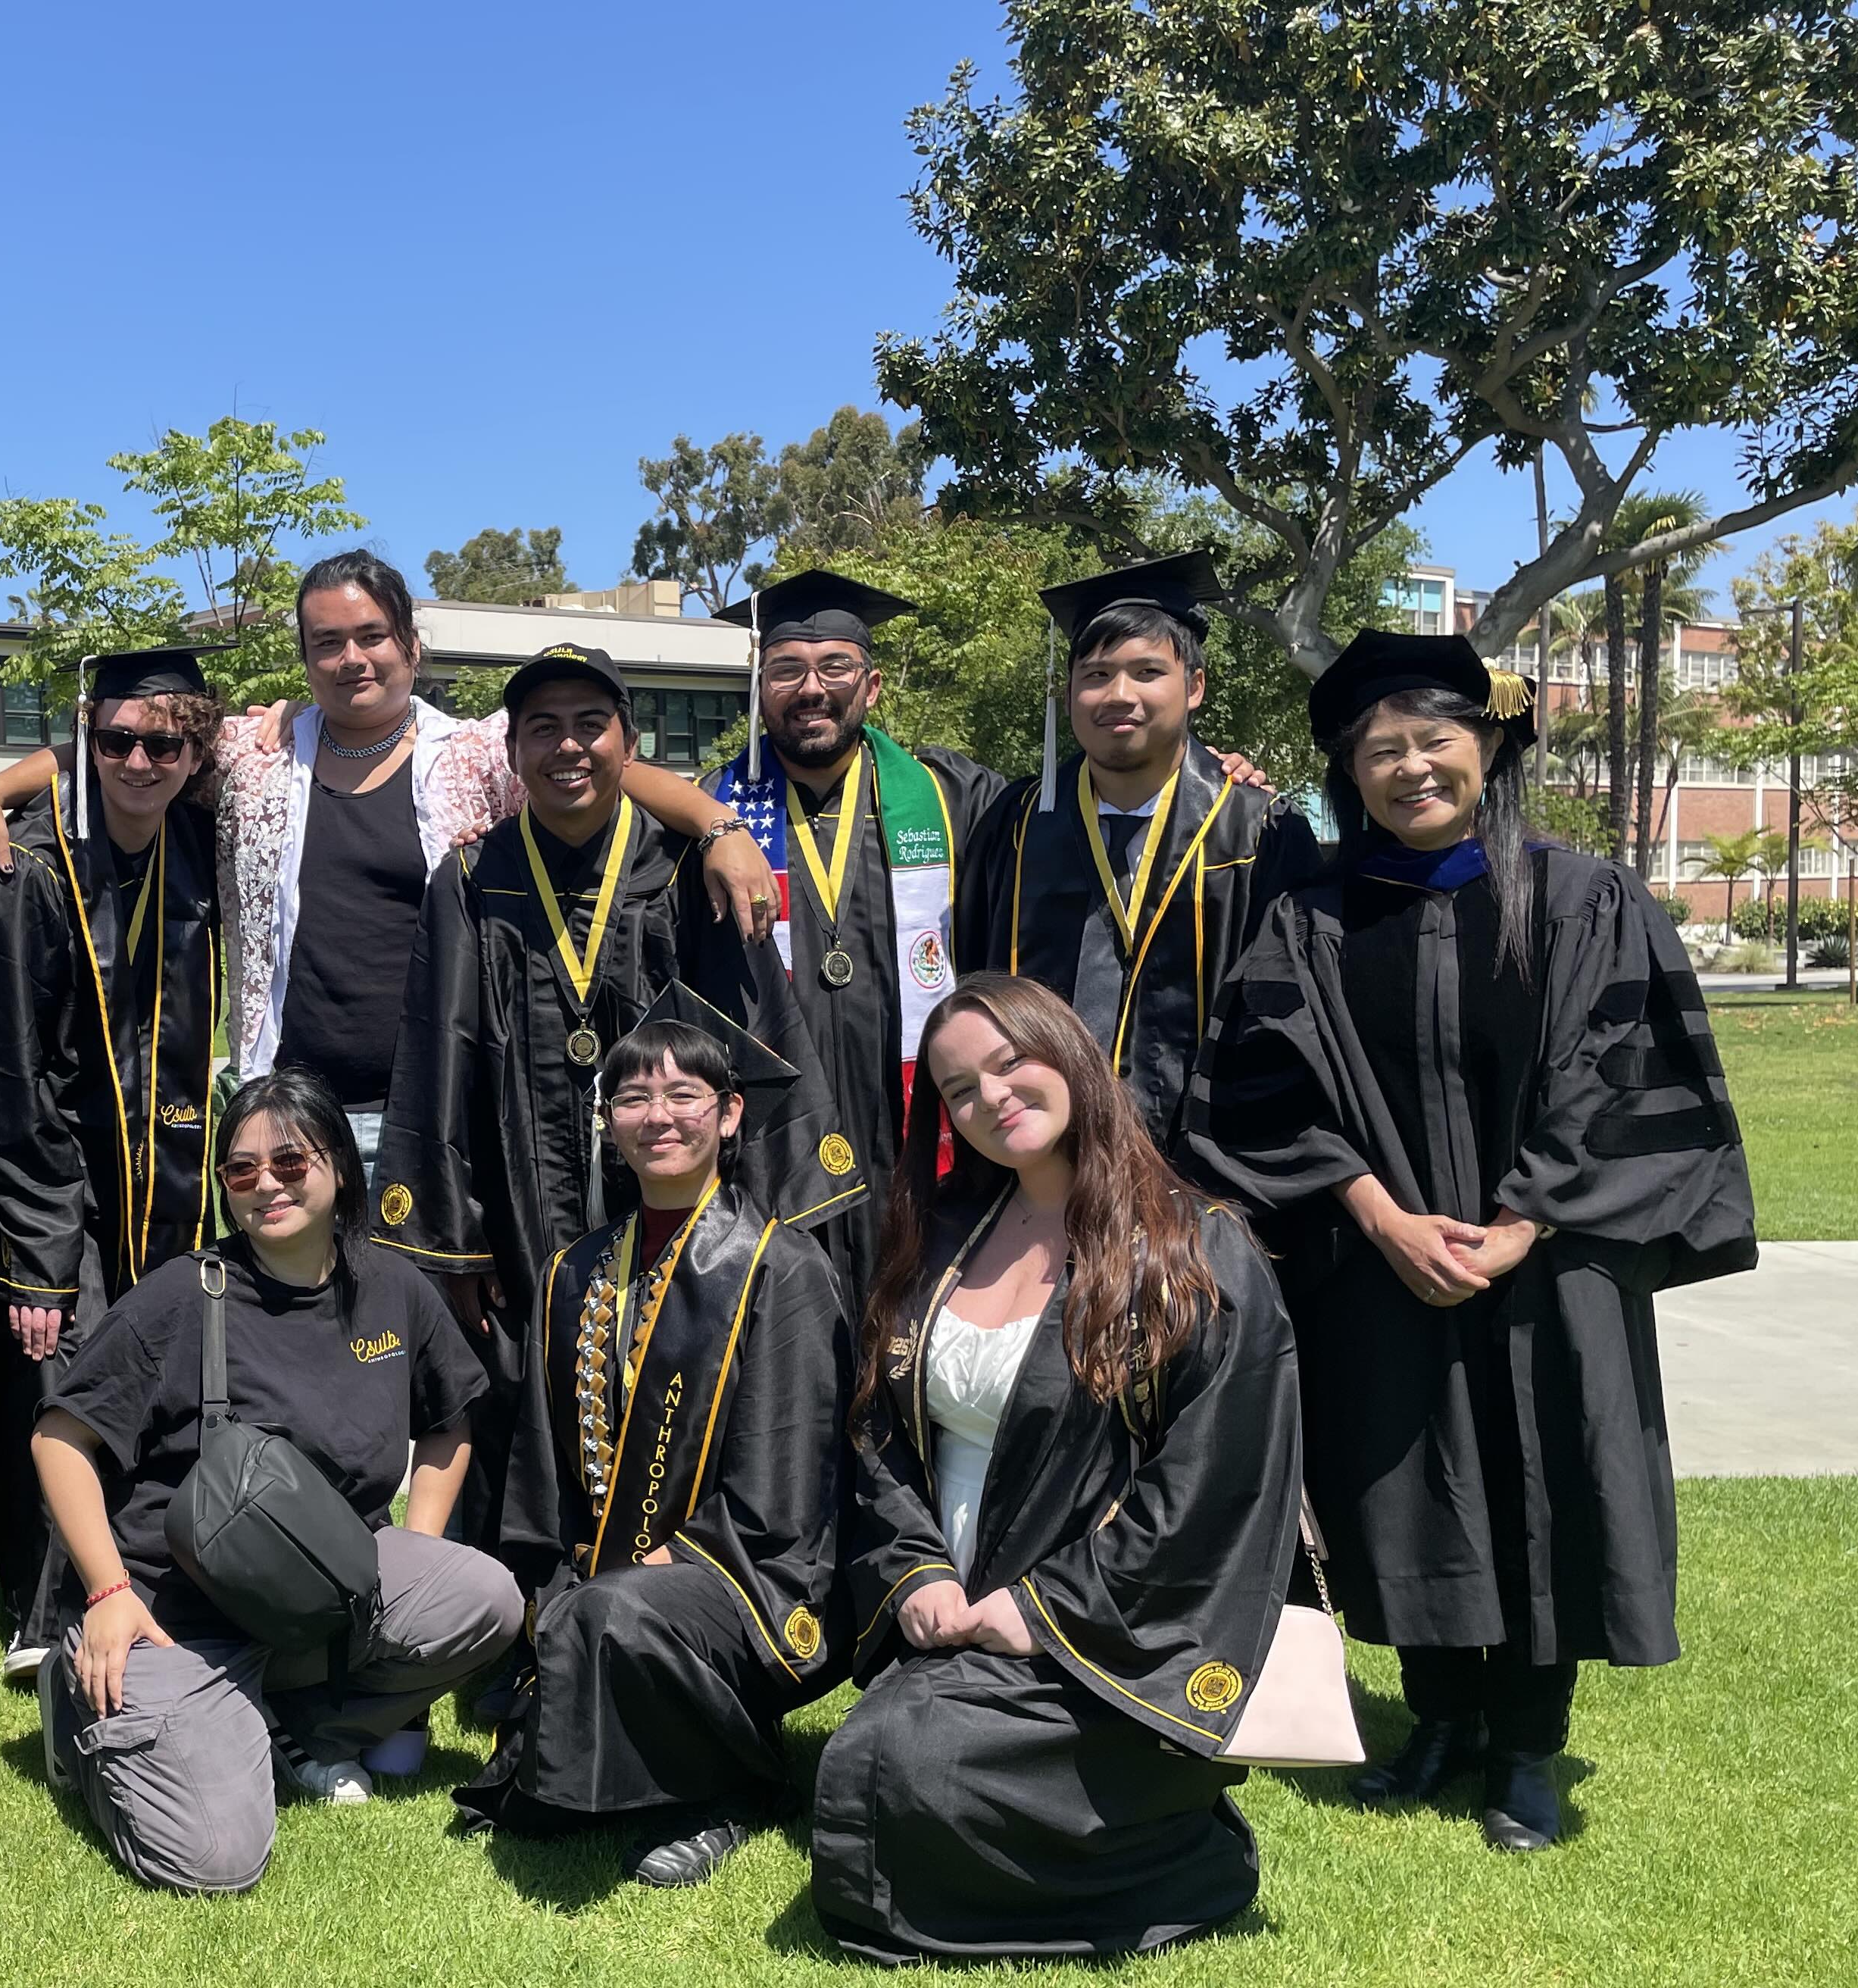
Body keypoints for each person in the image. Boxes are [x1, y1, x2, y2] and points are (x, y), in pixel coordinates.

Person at [1185, 631, 1756, 1851]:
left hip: (1555, 1260)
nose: (1411, 768)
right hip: (1382, 1263)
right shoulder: (1315, 917)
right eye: (1380, 750)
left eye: (1435, 740)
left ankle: (1527, 1750)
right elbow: (1264, 1090)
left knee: (1543, 1471)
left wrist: (1520, 1221)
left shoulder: (1582, 896)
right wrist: (1380, 1215)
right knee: (1404, 1481)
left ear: (1487, 747)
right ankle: (1439, 1719)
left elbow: (1617, 1071)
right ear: (1350, 772)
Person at [0, 549, 779, 1167]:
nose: (352, 659)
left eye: (372, 636)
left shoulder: (478, 752)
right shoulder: (251, 755)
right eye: (328, 643)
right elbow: (115, 745)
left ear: (412, 646)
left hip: (441, 1108)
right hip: (283, 1111)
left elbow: (607, 767)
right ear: (305, 660)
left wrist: (719, 827)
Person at [811, 974, 1301, 1965]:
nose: (991, 1098)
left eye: (1009, 1063)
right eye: (957, 1090)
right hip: (952, 1615)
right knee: (871, 1765)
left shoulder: (1191, 1252)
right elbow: (881, 1442)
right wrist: (917, 1576)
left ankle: (1184, 1859)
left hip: (1112, 1643)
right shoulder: (941, 1240)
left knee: (893, 1766)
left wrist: (1040, 1609)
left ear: (1067, 1053)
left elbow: (1213, 1486)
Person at [376, 642, 856, 1549]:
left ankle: (677, 1585)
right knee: (526, 1375)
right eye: (543, 728)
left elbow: (760, 1045)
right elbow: (434, 1064)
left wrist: (782, 1216)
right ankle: (524, 1596)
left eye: (590, 725)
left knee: (674, 1366)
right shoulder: (474, 881)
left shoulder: (688, 869)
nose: (569, 747)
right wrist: (451, 1243)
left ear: (627, 744)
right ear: (513, 750)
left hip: (671, 1197)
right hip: (524, 1206)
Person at [29, 1067, 523, 1894]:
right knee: (216, 1857)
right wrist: (110, 1591)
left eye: (290, 1163)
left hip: (321, 1592)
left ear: (338, 1165)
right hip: (177, 1620)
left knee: (489, 1599)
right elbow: (59, 1437)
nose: (266, 1185)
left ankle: (302, 1721)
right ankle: (86, 1708)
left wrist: (418, 1546)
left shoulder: (394, 1287)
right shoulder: (184, 1297)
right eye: (241, 1171)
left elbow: (448, 1422)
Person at [457, 998, 848, 1887]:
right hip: (602, 1577)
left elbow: (790, 1474)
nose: (656, 1115)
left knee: (616, 1615)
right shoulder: (573, 1270)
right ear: (607, 1123)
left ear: (731, 1112)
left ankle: (733, 1790)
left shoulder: (780, 1266)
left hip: (745, 1579)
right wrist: (547, 1579)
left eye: (682, 1094)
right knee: (554, 1753)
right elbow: (544, 1467)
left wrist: (674, 1558)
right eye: (631, 1097)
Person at [0, 646, 225, 1678]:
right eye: (114, 739)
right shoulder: (26, 868)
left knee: (156, 1374)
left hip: (164, 1176)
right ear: (86, 738)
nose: (136, 760)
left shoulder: (201, 845)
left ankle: (146, 1574)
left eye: (162, 742)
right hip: (53, 1181)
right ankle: (49, 1614)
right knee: (61, 1374)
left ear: (191, 750)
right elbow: (11, 1071)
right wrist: (36, 1249)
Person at [698, 569, 1005, 1303]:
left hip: (914, 1138)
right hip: (777, 1150)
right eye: (786, 669)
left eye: (835, 665)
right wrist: (707, 822)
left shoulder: (948, 797)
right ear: (758, 685)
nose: (811, 687)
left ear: (872, 686)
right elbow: (616, 783)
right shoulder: (714, 806)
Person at [956, 552, 1323, 1149]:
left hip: (1205, 1167)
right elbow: (974, 975)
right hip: (1039, 1167)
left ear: (1195, 686)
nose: (1118, 695)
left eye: (1147, 672)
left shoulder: (1259, 833)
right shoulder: (1014, 825)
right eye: (1096, 675)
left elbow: (1290, 1027)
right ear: (1069, 689)